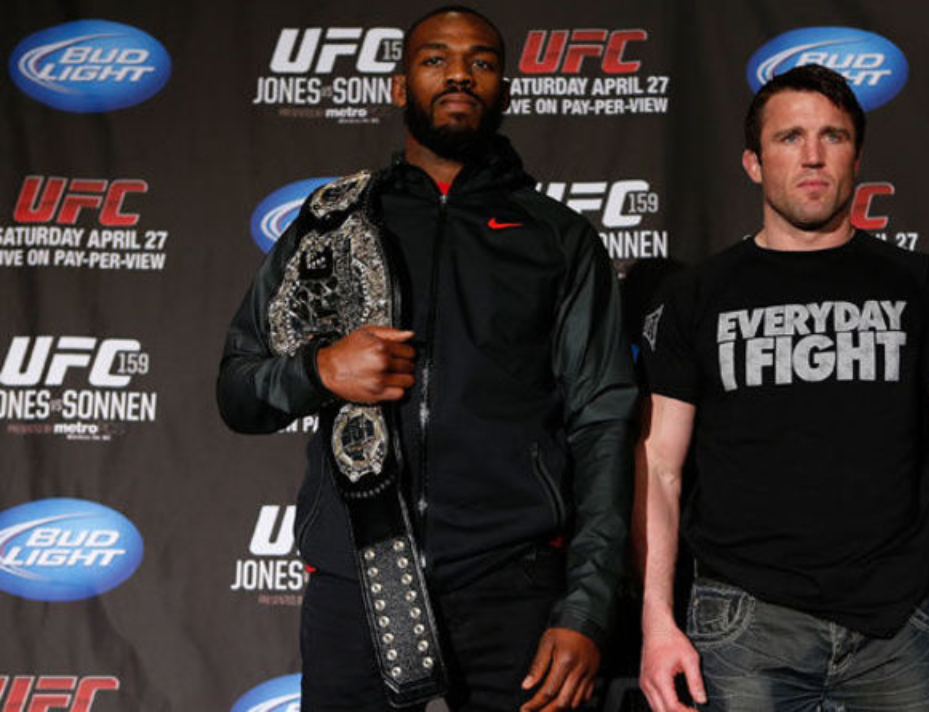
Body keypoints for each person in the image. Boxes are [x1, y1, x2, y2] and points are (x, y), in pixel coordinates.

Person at [217, 6, 636, 710]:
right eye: (435, 58)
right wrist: (318, 371)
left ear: (503, 86)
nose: (459, 76)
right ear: (399, 84)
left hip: (514, 588)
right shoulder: (332, 221)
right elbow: (236, 388)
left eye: (481, 62)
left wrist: (587, 607)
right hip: (360, 584)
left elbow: (603, 423)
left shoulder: (556, 237)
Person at [634, 65, 929, 711]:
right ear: (753, 164)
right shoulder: (697, 296)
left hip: (897, 627)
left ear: (857, 155)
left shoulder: (920, 284)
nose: (812, 156)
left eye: (832, 136)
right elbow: (658, 467)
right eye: (789, 138)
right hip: (746, 622)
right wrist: (655, 620)